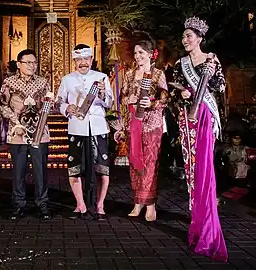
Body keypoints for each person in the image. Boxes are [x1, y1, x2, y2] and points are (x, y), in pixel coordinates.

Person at [172, 17, 228, 261]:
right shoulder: (179, 63)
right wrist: (181, 92)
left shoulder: (211, 59)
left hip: (204, 115)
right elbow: (173, 94)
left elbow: (221, 87)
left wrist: (213, 73)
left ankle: (207, 226)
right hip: (187, 117)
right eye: (184, 36)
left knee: (204, 168)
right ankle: (197, 219)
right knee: (191, 169)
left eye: (189, 36)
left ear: (200, 39)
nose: (185, 40)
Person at [56, 44, 113, 220]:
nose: (83, 63)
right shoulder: (67, 79)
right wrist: (67, 107)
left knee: (102, 169)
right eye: (79, 60)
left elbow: (110, 103)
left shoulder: (101, 77)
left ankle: (100, 205)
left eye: (86, 59)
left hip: (97, 127)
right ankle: (80, 204)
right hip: (77, 127)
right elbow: (58, 102)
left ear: (91, 60)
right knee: (75, 169)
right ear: (74, 61)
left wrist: (103, 94)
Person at [0, 49, 52, 221]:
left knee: (40, 170)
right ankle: (18, 205)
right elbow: (2, 105)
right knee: (19, 170)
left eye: (34, 63)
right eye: (28, 62)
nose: (32, 66)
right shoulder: (9, 82)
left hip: (40, 132)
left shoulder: (43, 82)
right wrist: (17, 122)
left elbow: (48, 105)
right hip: (18, 132)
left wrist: (43, 116)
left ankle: (42, 204)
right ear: (19, 64)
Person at [119, 40, 168, 221]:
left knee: (150, 164)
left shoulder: (157, 74)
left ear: (150, 54)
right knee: (135, 163)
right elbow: (122, 98)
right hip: (133, 122)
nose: (138, 56)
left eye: (141, 53)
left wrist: (152, 103)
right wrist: (128, 98)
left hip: (151, 124)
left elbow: (165, 98)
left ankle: (150, 205)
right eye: (136, 53)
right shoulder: (130, 75)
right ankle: (138, 202)